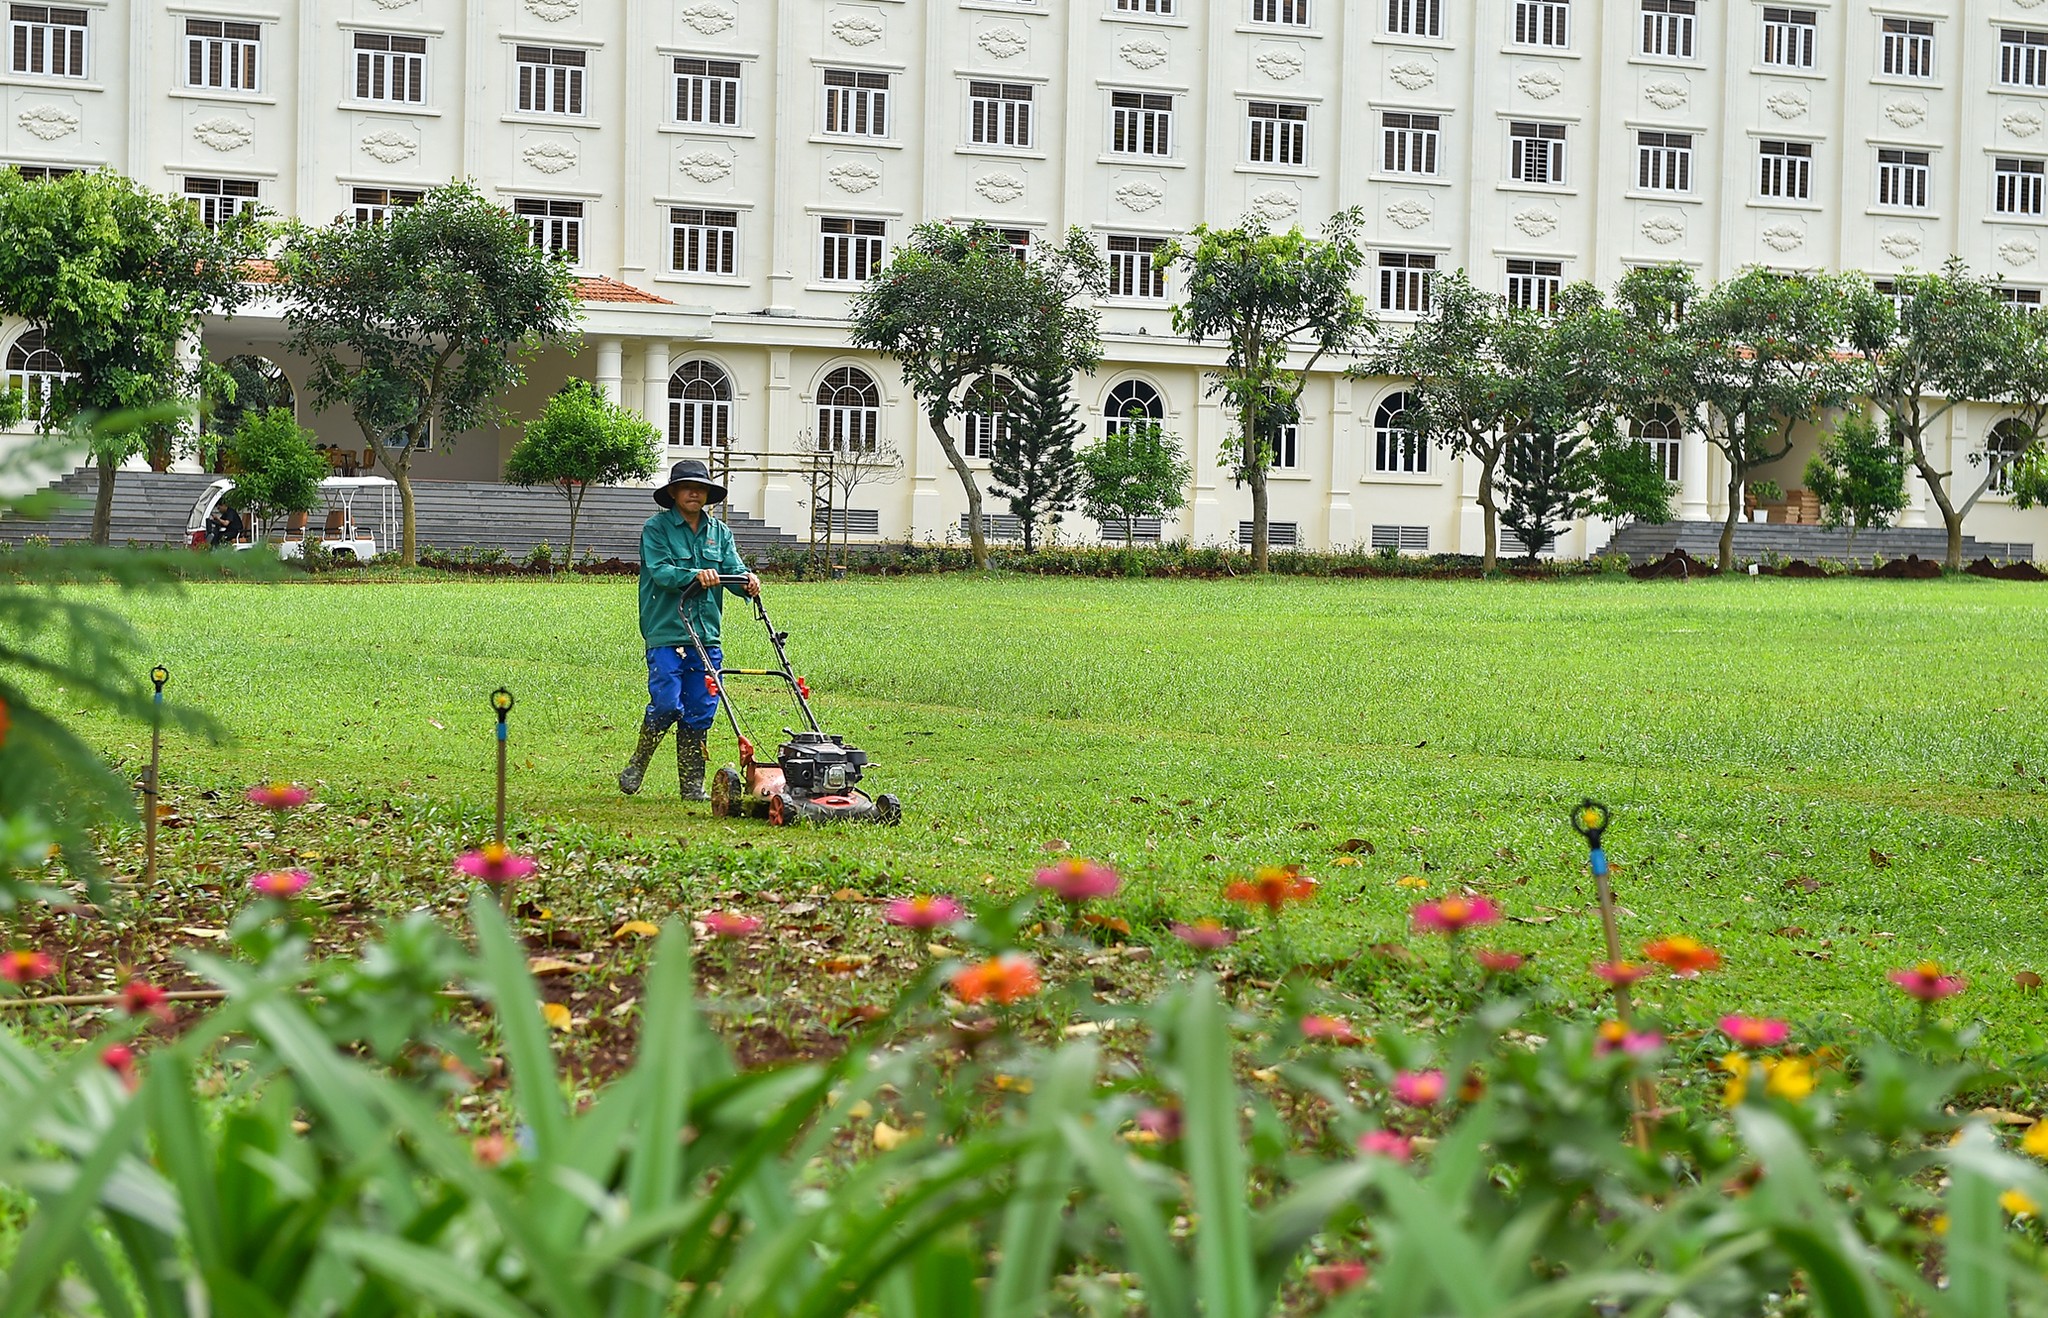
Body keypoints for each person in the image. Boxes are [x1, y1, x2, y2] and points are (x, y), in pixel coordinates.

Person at [618, 458, 759, 801]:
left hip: (706, 634)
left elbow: (733, 569)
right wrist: (694, 575)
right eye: (687, 487)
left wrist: (748, 582)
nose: (694, 493)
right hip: (667, 630)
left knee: (701, 707)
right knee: (667, 704)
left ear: (708, 494)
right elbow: (662, 572)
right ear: (674, 492)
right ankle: (639, 761)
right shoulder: (656, 529)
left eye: (701, 488)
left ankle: (691, 785)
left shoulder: (720, 533)